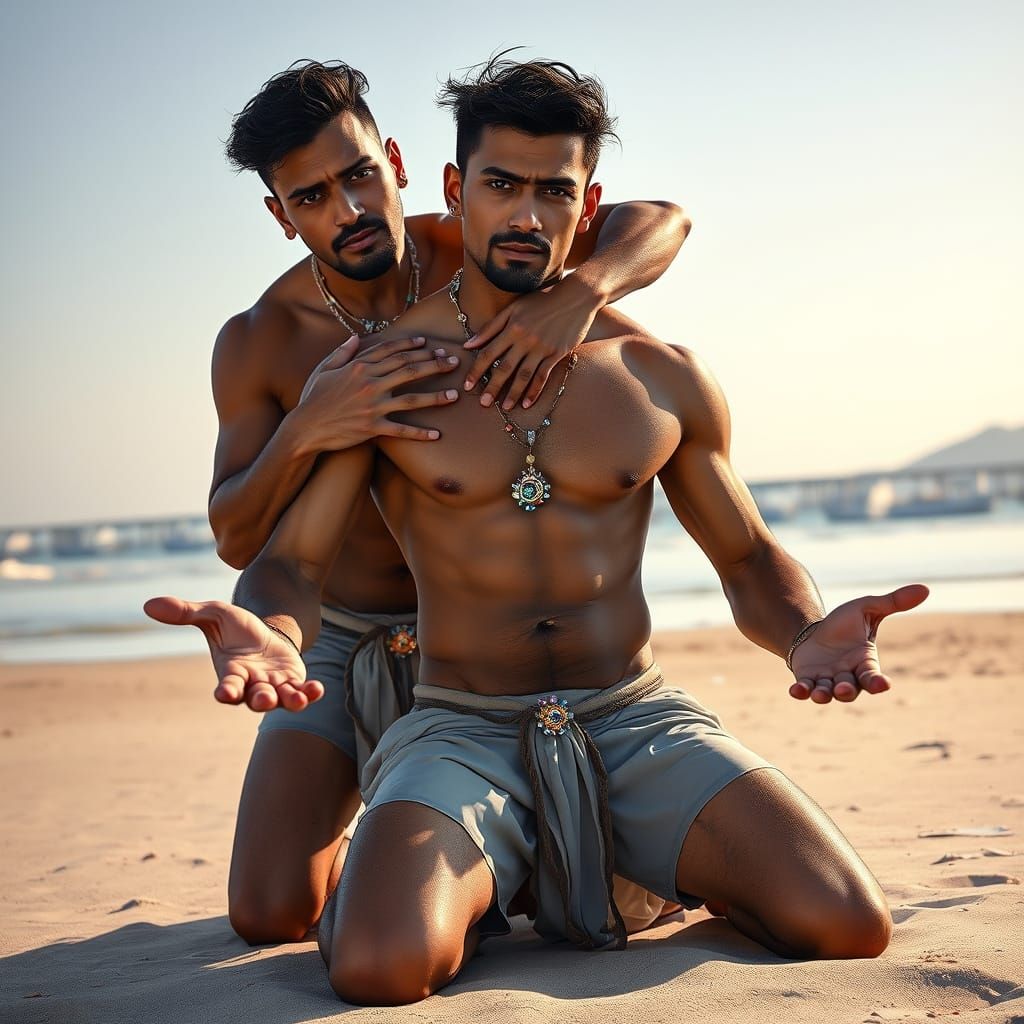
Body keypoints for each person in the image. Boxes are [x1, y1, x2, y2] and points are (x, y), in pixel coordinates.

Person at [147, 55, 928, 1006]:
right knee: (369, 962)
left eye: (553, 192)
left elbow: (749, 555)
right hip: (455, 714)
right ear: (454, 189)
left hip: (631, 712)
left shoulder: (659, 372)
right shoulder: (378, 373)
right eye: (500, 186)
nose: (524, 216)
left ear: (587, 202)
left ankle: (603, 864)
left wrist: (806, 634)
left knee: (849, 922)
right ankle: (458, 872)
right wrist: (266, 632)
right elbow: (284, 562)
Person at [209, 60, 690, 945]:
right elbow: (239, 534)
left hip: (478, 641)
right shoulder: (262, 340)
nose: (348, 210)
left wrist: (585, 292)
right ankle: (403, 846)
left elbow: (662, 220)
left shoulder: (478, 241)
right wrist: (311, 424)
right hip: (342, 628)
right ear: (281, 216)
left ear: (394, 161)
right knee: (270, 911)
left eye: (357, 175)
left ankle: (493, 847)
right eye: (311, 197)